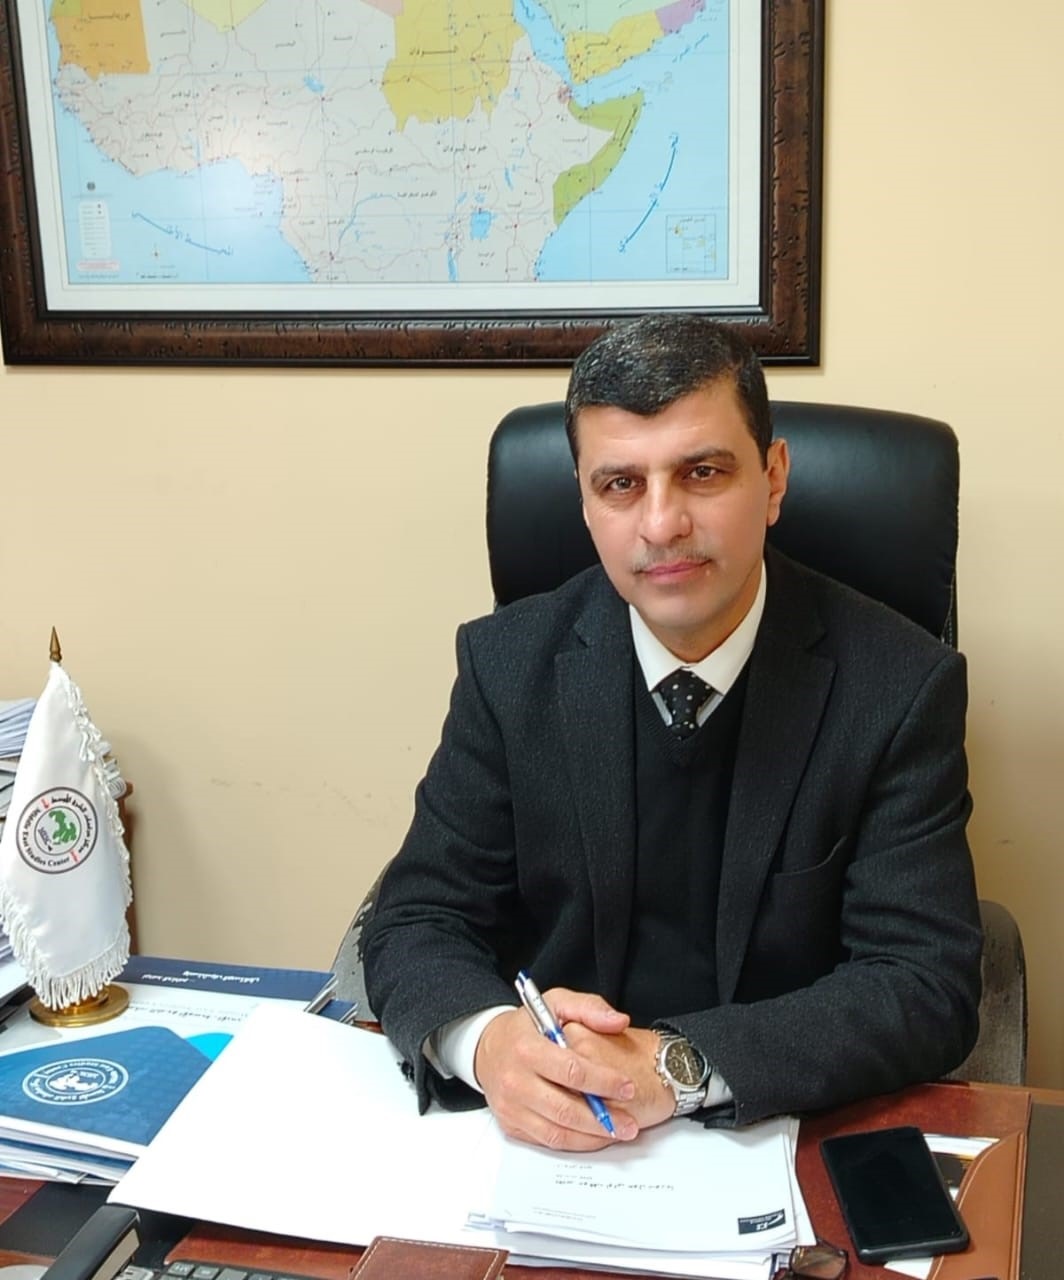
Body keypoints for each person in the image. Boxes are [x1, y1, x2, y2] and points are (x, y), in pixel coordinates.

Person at [362, 313, 983, 1152]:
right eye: (620, 484)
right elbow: (417, 918)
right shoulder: (507, 668)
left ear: (773, 479)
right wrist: (488, 1042)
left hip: (775, 1133)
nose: (661, 525)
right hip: (545, 1137)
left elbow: (923, 983)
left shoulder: (898, 687)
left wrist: (677, 1066)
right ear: (585, 502)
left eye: (703, 472)